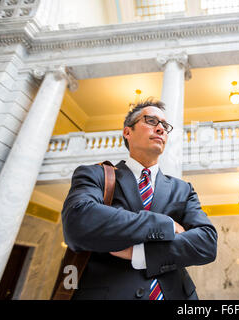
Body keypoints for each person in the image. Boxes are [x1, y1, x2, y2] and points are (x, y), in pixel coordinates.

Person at [61, 98, 218, 300]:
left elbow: (206, 242)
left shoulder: (183, 189)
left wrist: (140, 254)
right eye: (151, 121)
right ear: (128, 132)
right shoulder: (95, 175)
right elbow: (79, 222)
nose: (161, 129)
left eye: (165, 125)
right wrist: (167, 225)